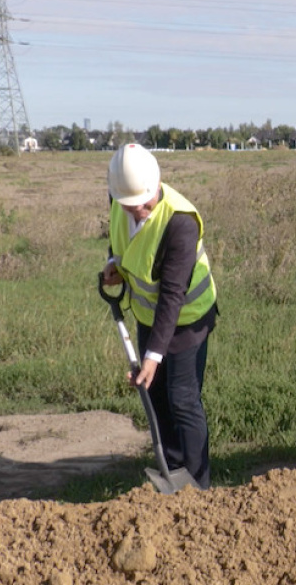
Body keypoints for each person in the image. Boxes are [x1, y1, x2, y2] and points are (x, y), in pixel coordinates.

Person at [102, 143, 218, 490]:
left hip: (188, 320)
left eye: (143, 204)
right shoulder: (120, 198)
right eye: (129, 206)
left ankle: (199, 482)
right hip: (147, 316)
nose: (137, 211)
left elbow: (172, 295)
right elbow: (119, 240)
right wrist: (113, 265)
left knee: (182, 398)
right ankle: (172, 466)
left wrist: (153, 356)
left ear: (156, 184)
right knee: (155, 396)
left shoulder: (181, 222)